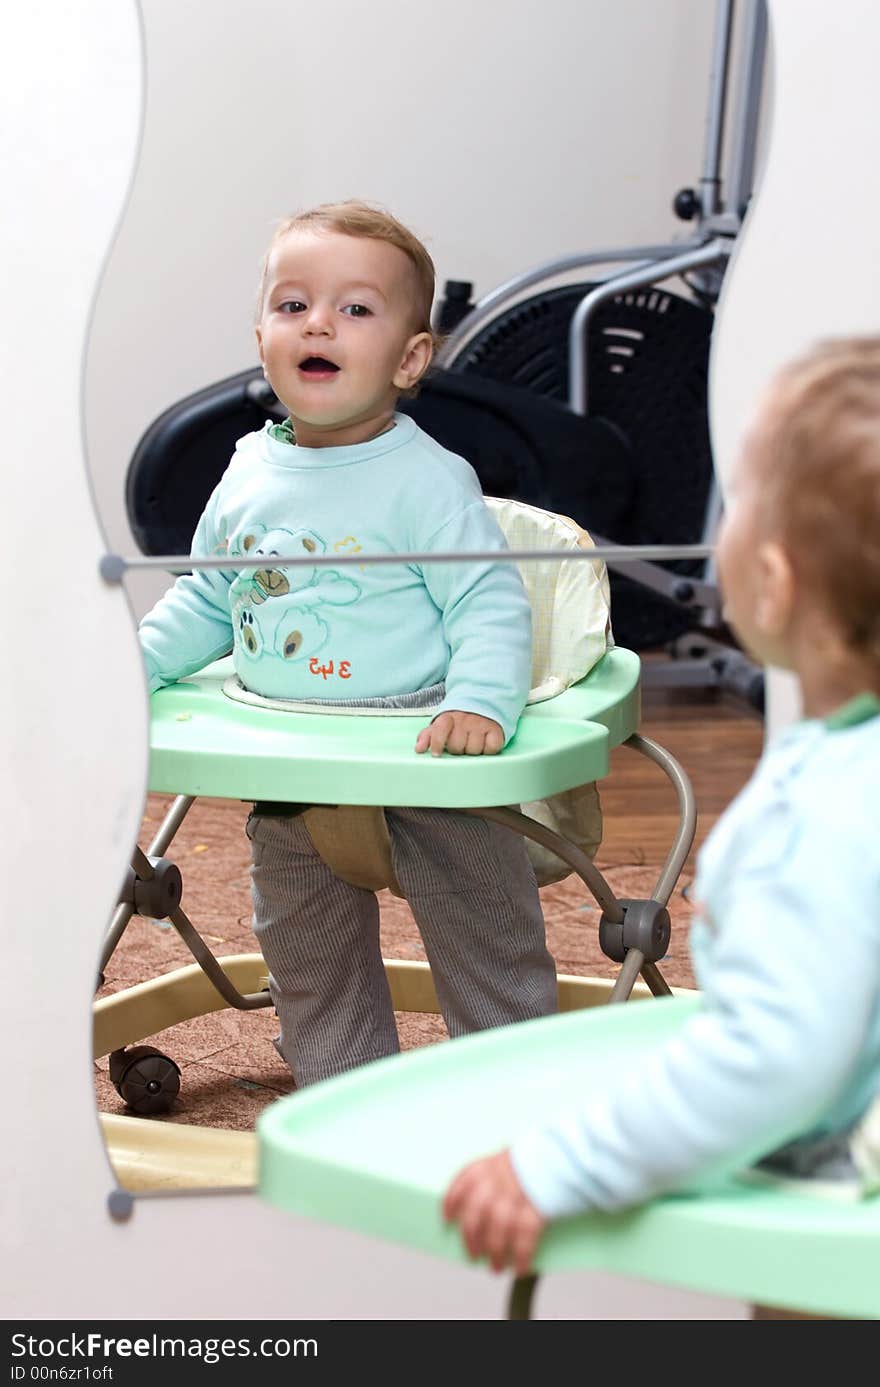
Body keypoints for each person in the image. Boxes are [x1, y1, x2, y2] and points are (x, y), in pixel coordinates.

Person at [443, 336, 880, 1275]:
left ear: (773, 580)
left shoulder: (821, 817)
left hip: (840, 1207)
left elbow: (776, 1058)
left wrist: (563, 1164)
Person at [139, 200, 557, 1086]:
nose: (319, 323)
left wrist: (478, 699)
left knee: (484, 933)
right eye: (293, 305)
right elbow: (216, 591)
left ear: (411, 358)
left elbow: (487, 599)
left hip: (424, 759)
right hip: (292, 763)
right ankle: (342, 1087)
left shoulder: (427, 481)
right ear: (262, 337)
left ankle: (510, 1077)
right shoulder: (249, 470)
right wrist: (128, 667)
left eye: (356, 309)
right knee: (305, 945)